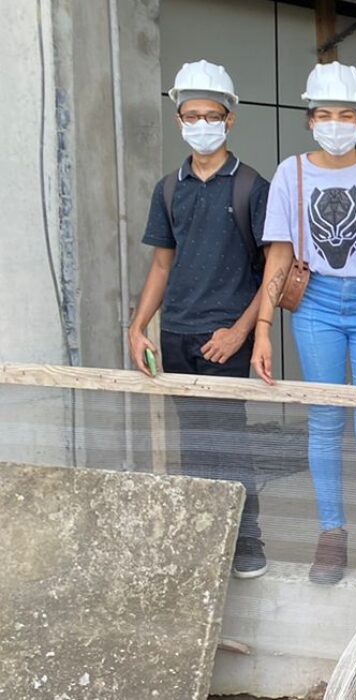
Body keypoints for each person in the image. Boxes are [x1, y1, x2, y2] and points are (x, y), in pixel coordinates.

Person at [251, 61, 356, 585]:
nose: (336, 123)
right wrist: (262, 329)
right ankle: (331, 535)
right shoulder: (290, 172)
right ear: (309, 120)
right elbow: (279, 256)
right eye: (324, 114)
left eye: (346, 114)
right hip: (317, 301)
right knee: (323, 421)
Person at [129, 60, 272, 578]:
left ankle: (247, 544)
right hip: (179, 334)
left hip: (226, 338)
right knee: (192, 445)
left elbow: (271, 273)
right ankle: (203, 540)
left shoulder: (254, 186)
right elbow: (162, 264)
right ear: (179, 121)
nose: (201, 124)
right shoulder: (170, 188)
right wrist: (138, 324)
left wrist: (239, 332)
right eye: (191, 115)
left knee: (229, 442)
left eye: (211, 114)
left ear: (229, 119)